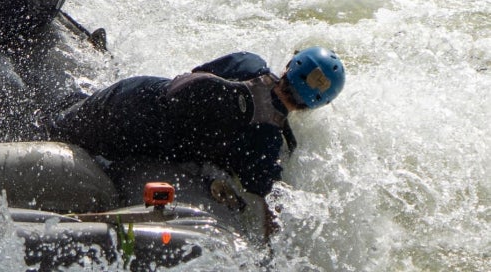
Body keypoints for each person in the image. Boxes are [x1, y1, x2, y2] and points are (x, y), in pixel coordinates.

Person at [47, 47, 347, 237]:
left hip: (135, 93)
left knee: (55, 127)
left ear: (290, 64)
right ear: (315, 105)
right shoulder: (267, 143)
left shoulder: (249, 62)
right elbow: (263, 197)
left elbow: (195, 76)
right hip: (136, 140)